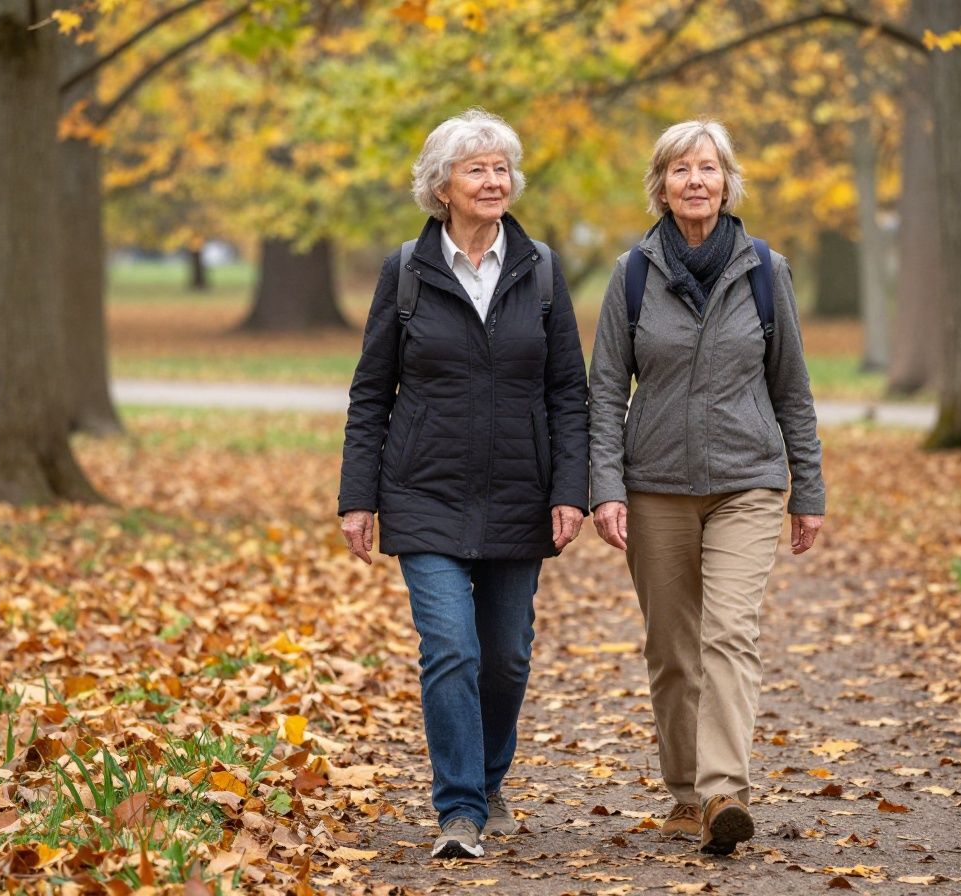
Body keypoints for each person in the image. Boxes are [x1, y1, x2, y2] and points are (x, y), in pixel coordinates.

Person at [338, 109, 589, 860]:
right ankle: (459, 809)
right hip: (424, 490)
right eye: (476, 168)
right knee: (449, 647)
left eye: (501, 168)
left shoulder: (540, 269)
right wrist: (358, 497)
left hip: (520, 489)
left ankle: (488, 778)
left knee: (506, 654)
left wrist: (569, 489)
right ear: (441, 184)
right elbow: (371, 389)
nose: (493, 180)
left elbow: (568, 390)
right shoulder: (406, 272)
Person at [588, 119, 825, 856]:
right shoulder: (632, 274)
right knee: (671, 647)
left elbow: (792, 388)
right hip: (654, 484)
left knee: (729, 633)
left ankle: (726, 790)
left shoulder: (764, 270)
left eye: (709, 168)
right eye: (682, 169)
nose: (697, 180)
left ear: (728, 182)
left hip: (746, 483)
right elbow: (602, 392)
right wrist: (605, 486)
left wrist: (806, 488)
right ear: (661, 186)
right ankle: (686, 792)